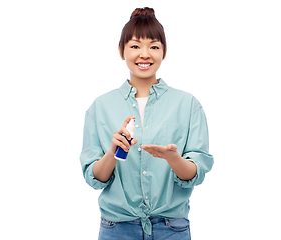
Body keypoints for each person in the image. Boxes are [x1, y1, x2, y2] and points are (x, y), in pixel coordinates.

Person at [80, 7, 214, 240]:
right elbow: (95, 178)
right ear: (121, 51)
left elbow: (197, 171)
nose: (145, 54)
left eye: (153, 46)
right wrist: (112, 152)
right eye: (135, 46)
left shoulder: (188, 104)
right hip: (117, 228)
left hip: (171, 229)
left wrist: (174, 159)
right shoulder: (99, 108)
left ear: (164, 52)